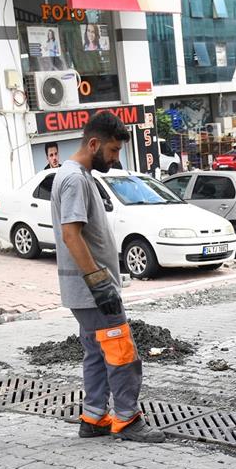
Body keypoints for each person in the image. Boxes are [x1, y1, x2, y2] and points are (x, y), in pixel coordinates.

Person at [52, 113, 165, 443]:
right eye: (113, 151)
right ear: (93, 143)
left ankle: (94, 417)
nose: (116, 159)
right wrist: (99, 282)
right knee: (121, 352)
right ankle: (127, 420)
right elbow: (72, 235)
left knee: (96, 352)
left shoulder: (77, 176)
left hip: (83, 290)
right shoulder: (73, 179)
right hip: (92, 291)